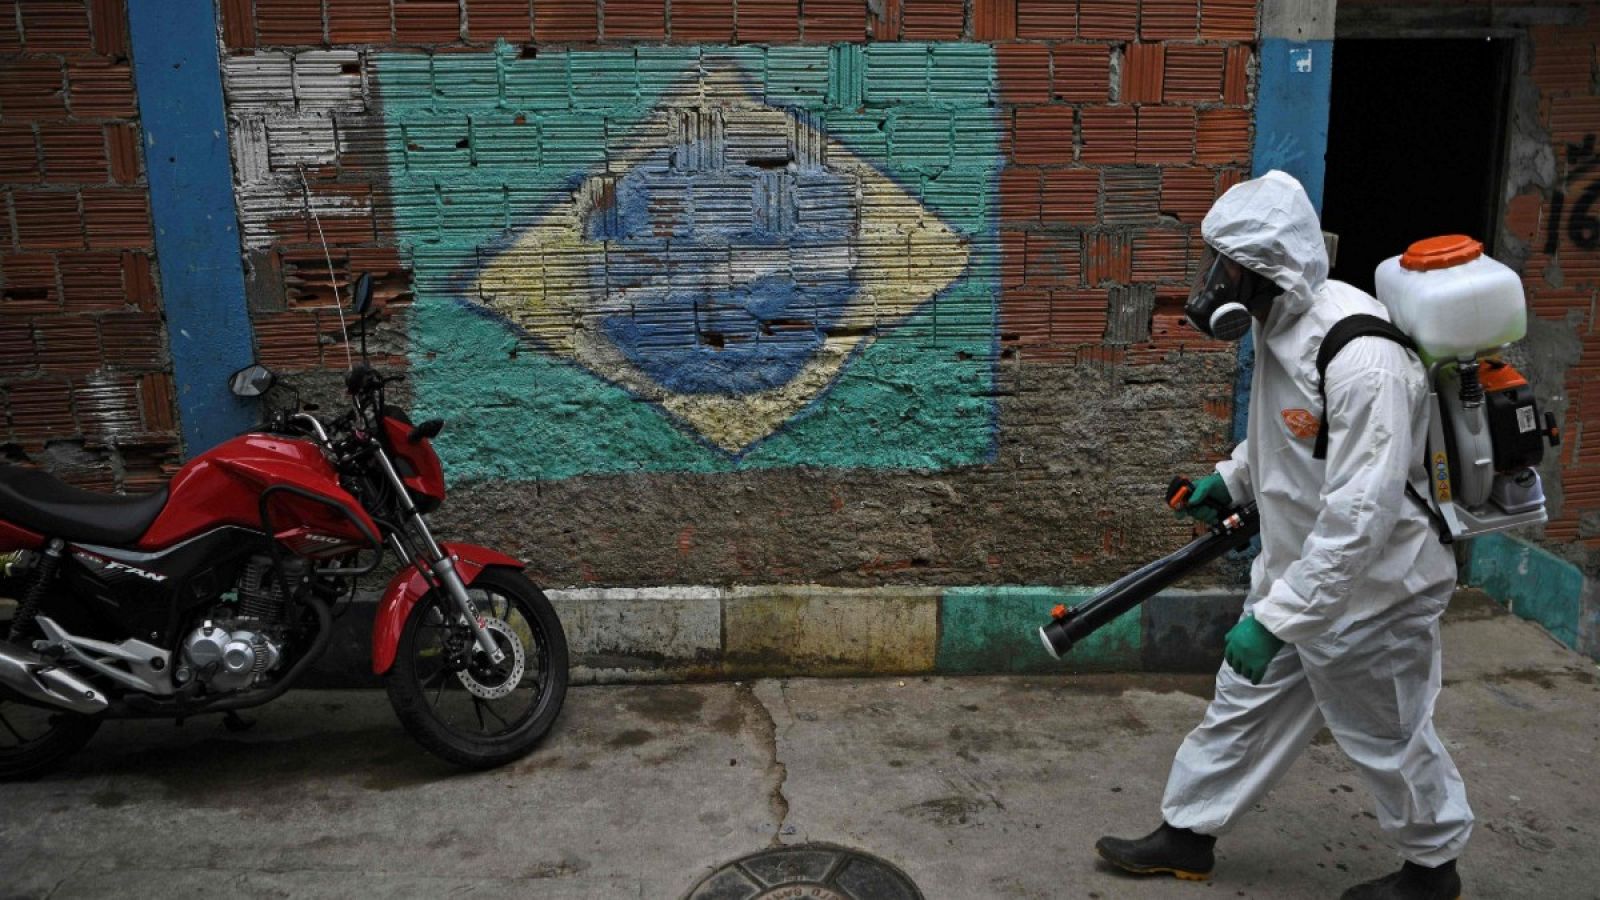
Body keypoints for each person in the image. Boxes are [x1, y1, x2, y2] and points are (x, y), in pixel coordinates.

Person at [1094, 171, 1471, 900]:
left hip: (1376, 593)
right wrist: (1232, 480)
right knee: (1240, 705)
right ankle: (1187, 835)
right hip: (1301, 572)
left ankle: (1433, 871)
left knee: (1389, 736)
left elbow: (1361, 517)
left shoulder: (1364, 359)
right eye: (1216, 263)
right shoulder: (1279, 325)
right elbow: (1289, 441)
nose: (1214, 281)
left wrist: (1276, 620)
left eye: (1228, 268)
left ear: (1269, 269)